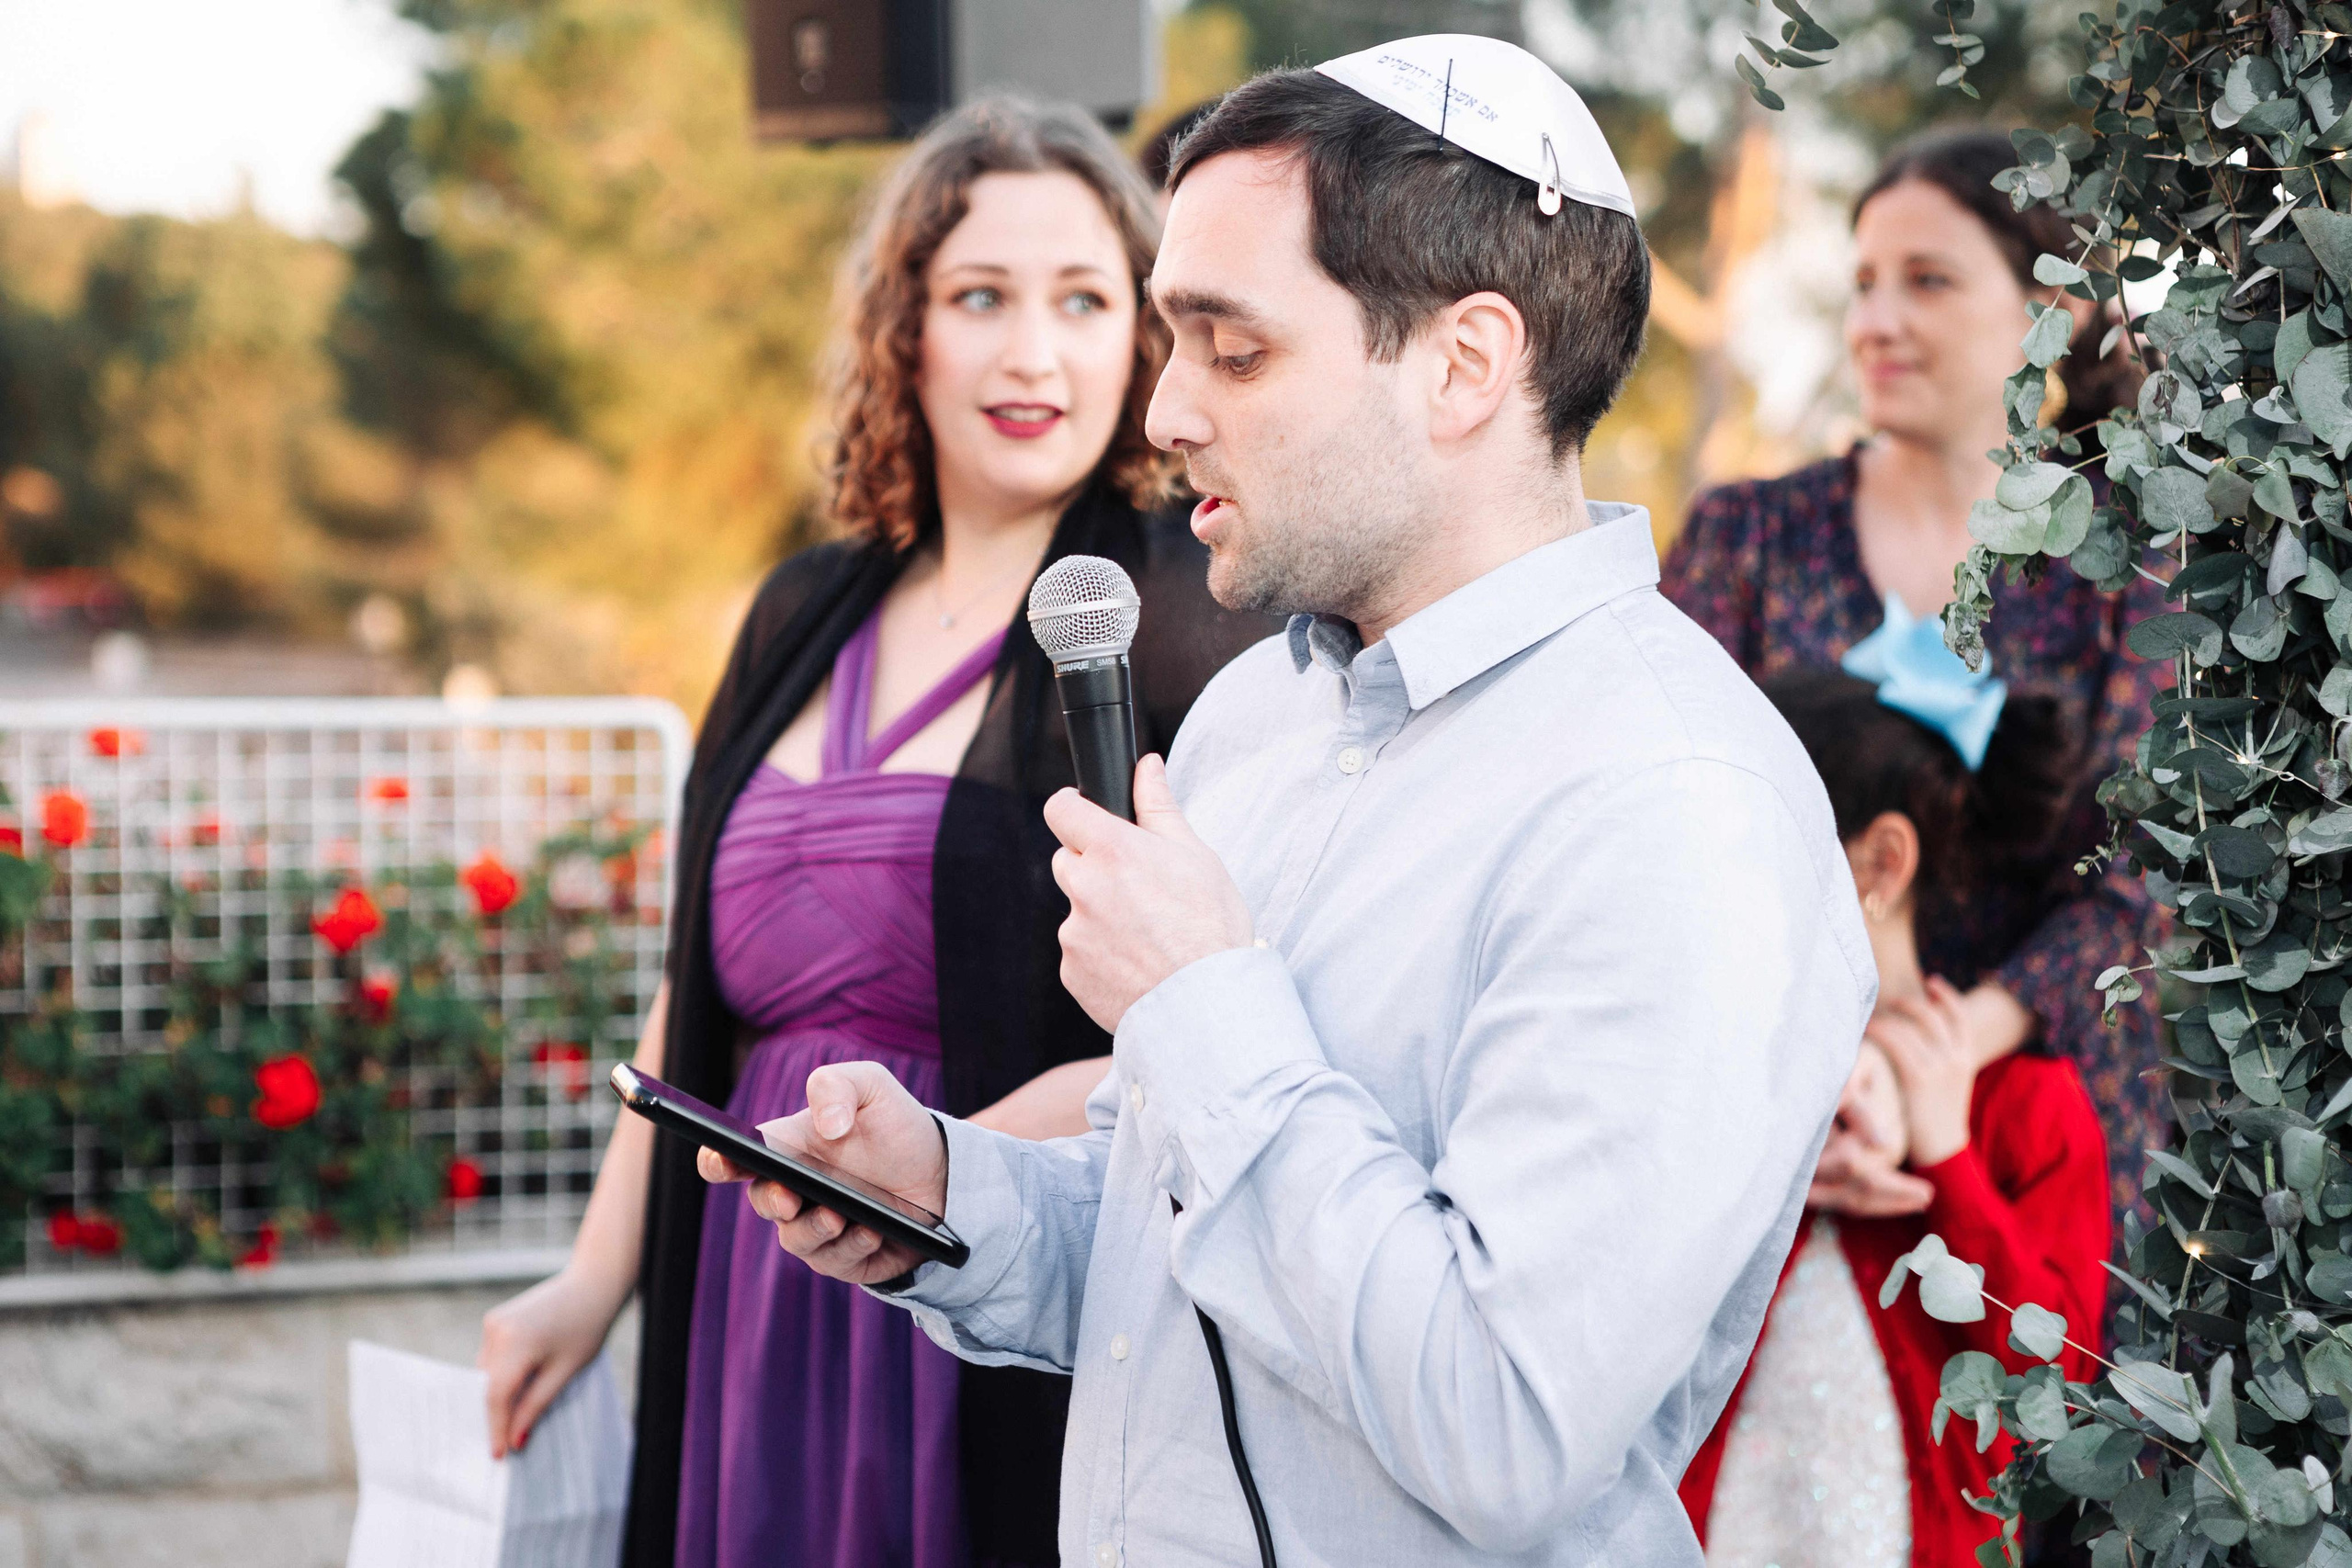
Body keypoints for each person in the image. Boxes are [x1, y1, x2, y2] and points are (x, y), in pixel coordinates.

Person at [706, 39, 1868, 1565]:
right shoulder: (1262, 711)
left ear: (1464, 364)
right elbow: (1168, 1266)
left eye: (1232, 351)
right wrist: (948, 1191)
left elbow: (1501, 1421)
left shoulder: (1673, 801)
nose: (1166, 406)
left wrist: (1199, 999)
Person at [475, 96, 1272, 1568]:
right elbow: (693, 988)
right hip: (747, 1293)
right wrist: (590, 1284)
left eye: (1085, 301)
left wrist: (940, 1164)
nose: (1033, 350)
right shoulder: (798, 609)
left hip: (988, 1295)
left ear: (1143, 344)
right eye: (980, 297)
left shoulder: (1178, 615)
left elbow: (1229, 1014)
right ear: (905, 331)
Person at [1660, 128, 2168, 1228]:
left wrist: (1941, 1049)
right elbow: (1672, 842)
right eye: (1863, 286)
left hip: (2048, 1134)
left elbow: (2148, 883)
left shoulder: (2129, 567)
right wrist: (1821, 1091)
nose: (1874, 322)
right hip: (1782, 1114)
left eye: (1927, 281)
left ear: (2059, 315)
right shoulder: (1747, 539)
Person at [1678, 615, 2111, 1568]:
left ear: (1880, 863)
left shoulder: (2028, 1108)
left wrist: (1948, 1162)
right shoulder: (1709, 1072)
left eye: (1764, 838)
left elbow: (2057, 1391)